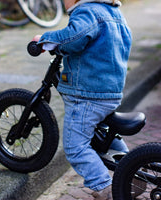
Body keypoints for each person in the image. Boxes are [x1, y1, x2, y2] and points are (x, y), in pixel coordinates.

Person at [33, 0, 131, 199]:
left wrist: (44, 39)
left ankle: (104, 186)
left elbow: (74, 38)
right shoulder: (115, 13)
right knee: (107, 135)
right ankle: (132, 175)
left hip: (86, 94)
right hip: (109, 92)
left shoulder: (86, 11)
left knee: (75, 147)